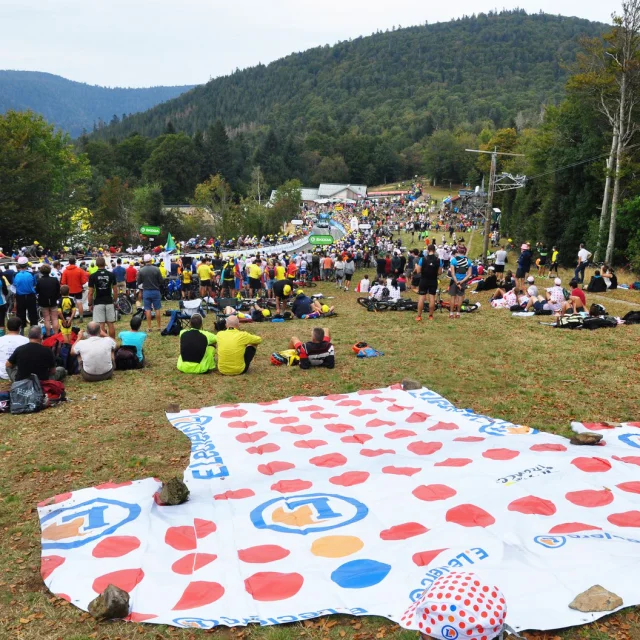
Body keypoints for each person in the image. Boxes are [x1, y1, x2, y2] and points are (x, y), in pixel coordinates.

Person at [88, 257, 118, 339]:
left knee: (101, 324)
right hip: (109, 301)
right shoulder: (111, 275)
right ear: (104, 264)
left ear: (96, 264)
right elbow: (115, 290)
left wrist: (90, 304)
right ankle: (112, 342)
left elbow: (90, 292)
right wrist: (115, 301)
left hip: (98, 302)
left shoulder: (93, 276)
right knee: (110, 324)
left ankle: (103, 342)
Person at [137, 254, 163, 332]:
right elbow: (161, 281)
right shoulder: (156, 269)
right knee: (157, 309)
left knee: (147, 309)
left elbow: (139, 282)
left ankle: (149, 327)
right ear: (151, 260)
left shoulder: (141, 270)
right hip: (155, 291)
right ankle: (159, 327)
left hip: (146, 291)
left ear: (144, 261)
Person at [415, 243, 441, 321]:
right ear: (434, 250)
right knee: (432, 297)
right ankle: (430, 316)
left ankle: (419, 316)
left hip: (424, 280)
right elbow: (440, 272)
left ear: (427, 250)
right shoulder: (438, 260)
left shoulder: (422, 259)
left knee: (421, 298)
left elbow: (418, 271)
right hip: (433, 280)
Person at [13, 257, 39, 329]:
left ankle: (21, 331)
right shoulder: (31, 274)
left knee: (20, 315)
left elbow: (14, 285)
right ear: (27, 264)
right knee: (33, 314)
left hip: (20, 297)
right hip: (30, 296)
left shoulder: (16, 275)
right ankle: (34, 332)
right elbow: (34, 284)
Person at [61, 256, 89, 321]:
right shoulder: (80, 270)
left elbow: (63, 282)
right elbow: (84, 281)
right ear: (75, 262)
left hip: (69, 290)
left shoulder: (65, 271)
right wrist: (79, 284)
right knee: (79, 303)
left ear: (69, 262)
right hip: (78, 289)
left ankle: (70, 317)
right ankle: (81, 317)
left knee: (69, 304)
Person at [36, 264, 60, 337]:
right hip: (53, 301)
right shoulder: (55, 279)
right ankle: (56, 334)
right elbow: (58, 290)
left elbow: (37, 291)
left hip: (43, 302)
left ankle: (48, 334)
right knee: (55, 318)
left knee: (46, 319)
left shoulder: (39, 281)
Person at [448, 246, 471, 319]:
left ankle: (451, 313)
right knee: (460, 297)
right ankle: (458, 313)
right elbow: (469, 274)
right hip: (462, 281)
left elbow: (452, 273)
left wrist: (457, 282)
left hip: (454, 281)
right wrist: (461, 282)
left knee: (453, 297)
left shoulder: (453, 260)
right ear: (465, 252)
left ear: (457, 251)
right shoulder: (468, 261)